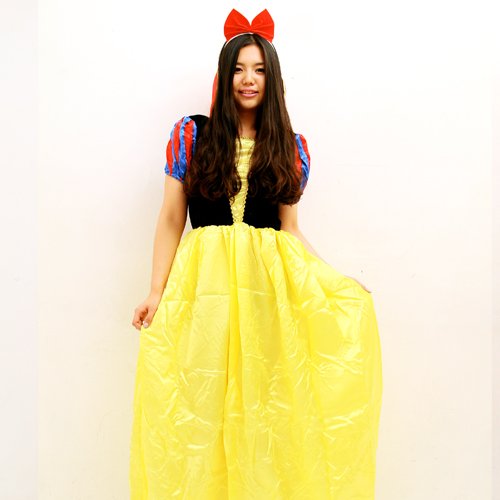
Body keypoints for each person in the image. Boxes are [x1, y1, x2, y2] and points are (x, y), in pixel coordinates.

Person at [130, 8, 383, 499]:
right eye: (240, 69)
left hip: (265, 295)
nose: (249, 79)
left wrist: (334, 282)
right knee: (197, 409)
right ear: (225, 76)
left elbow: (290, 232)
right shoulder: (193, 135)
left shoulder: (289, 147)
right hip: (203, 294)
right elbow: (171, 218)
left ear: (273, 79)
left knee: (265, 408)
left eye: (260, 70)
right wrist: (156, 291)